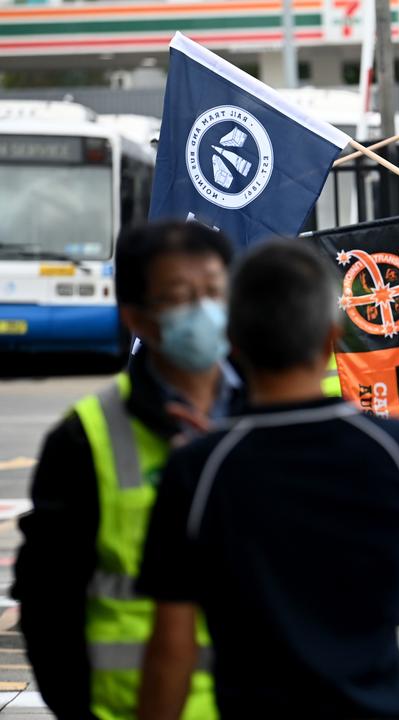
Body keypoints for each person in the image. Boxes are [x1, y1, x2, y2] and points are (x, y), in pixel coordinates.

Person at [136, 239, 399, 718]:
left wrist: (212, 452)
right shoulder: (392, 448)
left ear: (233, 340)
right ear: (331, 334)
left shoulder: (200, 471)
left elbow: (171, 649)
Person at [13, 221, 238, 720]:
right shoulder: (84, 439)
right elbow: (46, 600)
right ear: (137, 318)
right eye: (182, 297)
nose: (205, 310)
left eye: (215, 292)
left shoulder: (269, 417)